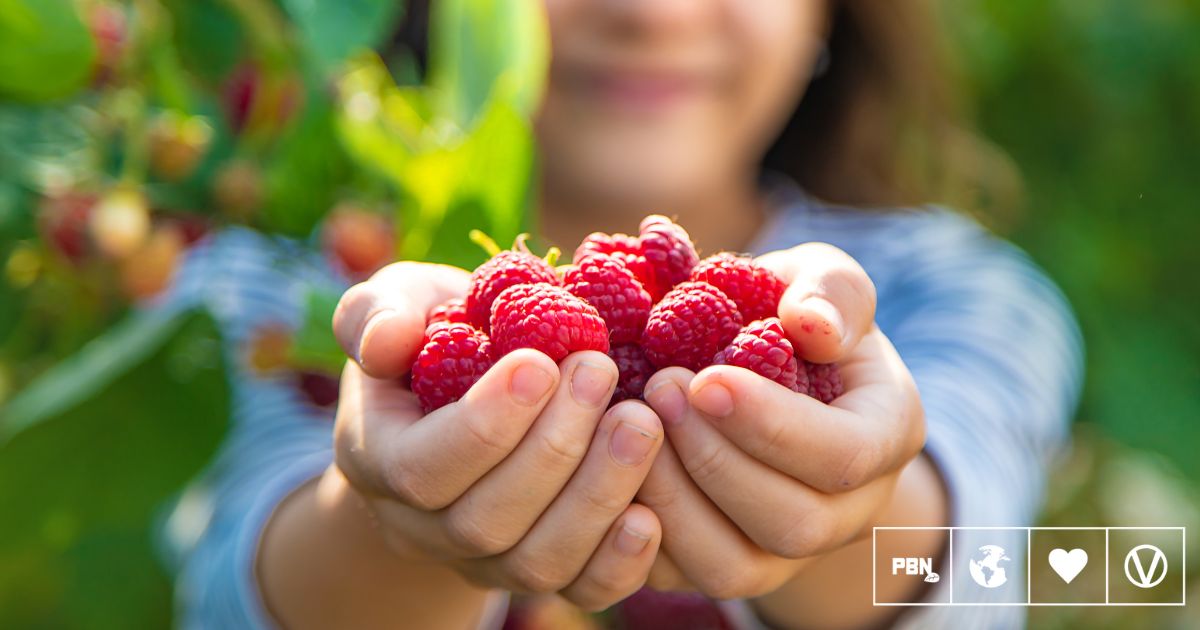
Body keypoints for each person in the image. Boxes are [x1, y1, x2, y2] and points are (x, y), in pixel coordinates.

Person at [160, 1, 1083, 628]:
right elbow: (231, 584)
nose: (651, 13)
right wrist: (396, 513)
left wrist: (852, 508)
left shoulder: (955, 292)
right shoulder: (277, 298)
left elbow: (977, 566)